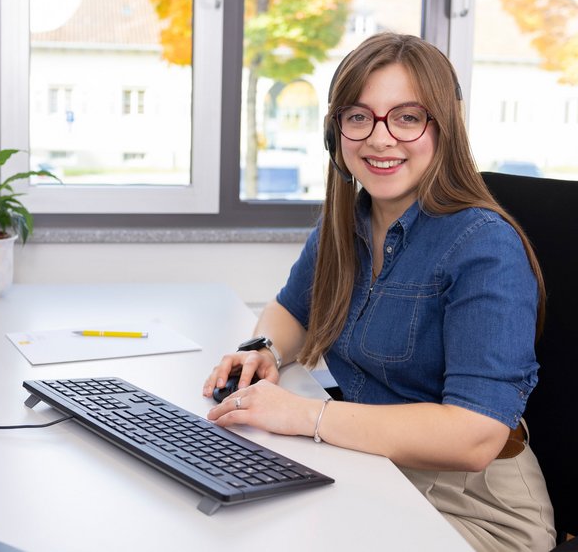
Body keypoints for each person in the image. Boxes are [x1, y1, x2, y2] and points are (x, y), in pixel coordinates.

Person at [203, 33, 556, 552]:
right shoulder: (347, 222)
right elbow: (293, 309)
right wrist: (263, 351)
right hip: (375, 471)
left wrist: (305, 415)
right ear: (336, 133)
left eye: (407, 117)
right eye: (359, 117)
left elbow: (476, 434)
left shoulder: (484, 246)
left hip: (474, 512)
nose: (380, 138)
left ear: (443, 128)